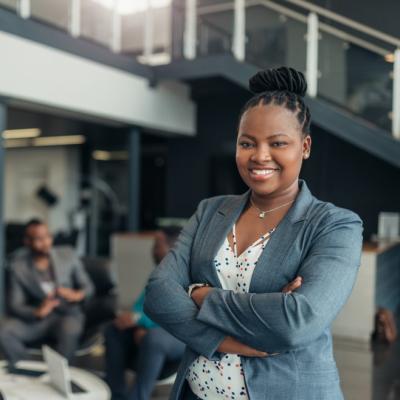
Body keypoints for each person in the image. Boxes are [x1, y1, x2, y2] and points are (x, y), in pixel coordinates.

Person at [144, 67, 363, 400]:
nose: (260, 156)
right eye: (247, 143)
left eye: (277, 143)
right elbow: (158, 293)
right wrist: (223, 339)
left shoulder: (335, 225)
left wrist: (200, 295)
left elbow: (297, 322)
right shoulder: (210, 211)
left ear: (304, 146)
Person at [104, 227, 185, 400]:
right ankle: (116, 394)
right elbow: (140, 305)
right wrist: (135, 320)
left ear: (174, 249)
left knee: (154, 338)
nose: (153, 251)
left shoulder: (188, 275)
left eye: (157, 245)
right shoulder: (157, 273)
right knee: (113, 329)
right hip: (152, 329)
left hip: (179, 337)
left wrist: (141, 321)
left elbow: (177, 315)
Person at [0, 219, 94, 366]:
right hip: (39, 319)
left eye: (47, 236)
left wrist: (76, 295)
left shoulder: (68, 255)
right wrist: (38, 312)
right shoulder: (18, 267)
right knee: (4, 331)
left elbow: (88, 287)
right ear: (27, 241)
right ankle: (28, 369)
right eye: (39, 238)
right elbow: (15, 305)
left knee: (68, 332)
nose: (45, 242)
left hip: (68, 315)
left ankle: (63, 376)